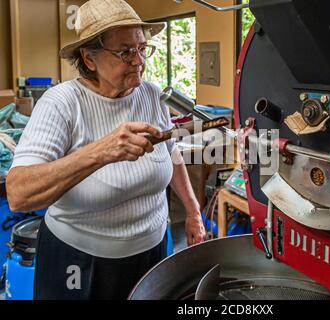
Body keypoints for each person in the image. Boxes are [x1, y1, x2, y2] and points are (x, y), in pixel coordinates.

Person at [6, 0, 206, 300]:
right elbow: (18, 194)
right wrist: (101, 151)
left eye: (142, 49)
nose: (138, 61)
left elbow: (172, 155)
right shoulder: (61, 103)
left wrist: (193, 212)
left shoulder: (150, 94)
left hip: (152, 251)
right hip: (81, 262)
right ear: (89, 58)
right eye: (125, 52)